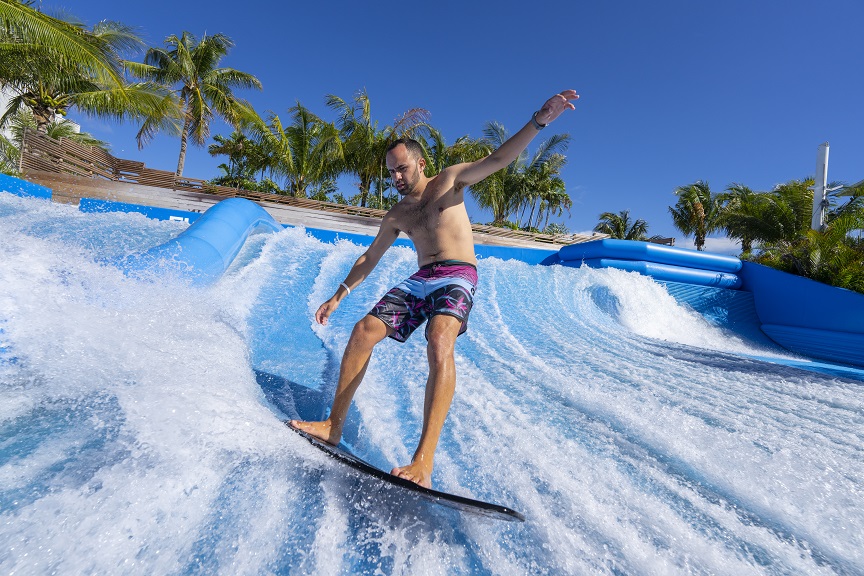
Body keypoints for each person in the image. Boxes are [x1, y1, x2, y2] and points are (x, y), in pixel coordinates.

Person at [290, 90, 579, 488]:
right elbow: (370, 257)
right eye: (390, 171)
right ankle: (332, 426)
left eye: (402, 168)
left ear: (420, 163)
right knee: (362, 331)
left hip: (459, 274)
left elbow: (498, 159)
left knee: (439, 338)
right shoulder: (398, 213)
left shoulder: (449, 181)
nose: (395, 178)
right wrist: (338, 295)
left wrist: (539, 121)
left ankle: (422, 463)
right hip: (422, 278)